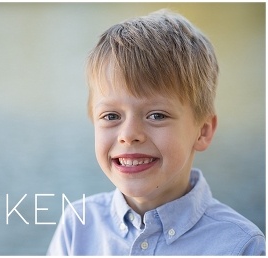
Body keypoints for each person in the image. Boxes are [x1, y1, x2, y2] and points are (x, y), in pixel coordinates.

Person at [47, 9, 265, 255]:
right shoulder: (77, 226)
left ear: (202, 131)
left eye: (157, 115)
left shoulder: (241, 246)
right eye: (111, 116)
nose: (128, 134)